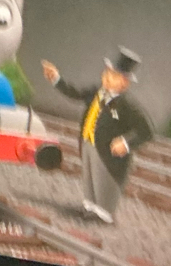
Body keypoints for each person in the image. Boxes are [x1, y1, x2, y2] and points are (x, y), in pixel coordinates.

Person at [40, 48, 153, 224]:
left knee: (104, 178)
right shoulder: (96, 93)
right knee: (89, 173)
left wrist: (126, 143)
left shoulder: (127, 105)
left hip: (109, 152)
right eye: (107, 72)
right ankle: (90, 206)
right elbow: (74, 93)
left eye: (113, 75)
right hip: (89, 142)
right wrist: (56, 79)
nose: (107, 77)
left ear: (124, 83)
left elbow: (146, 131)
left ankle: (103, 212)